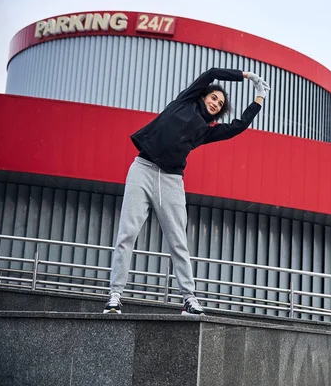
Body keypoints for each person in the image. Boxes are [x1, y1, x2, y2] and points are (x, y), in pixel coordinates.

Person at [103, 68, 270, 315]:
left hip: (171, 180)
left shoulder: (206, 130)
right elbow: (212, 72)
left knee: (178, 241)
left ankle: (189, 299)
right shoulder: (184, 101)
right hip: (142, 169)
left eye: (220, 103)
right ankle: (115, 296)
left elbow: (238, 127)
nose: (216, 103)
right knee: (127, 234)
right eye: (213, 97)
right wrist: (245, 76)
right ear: (203, 96)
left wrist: (259, 98)